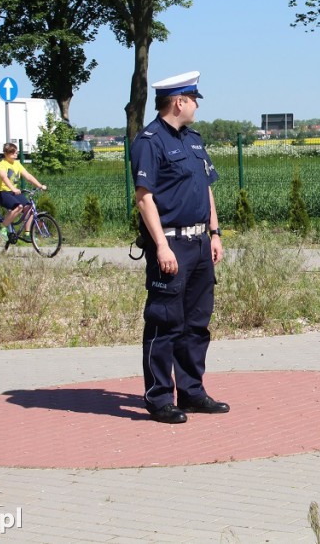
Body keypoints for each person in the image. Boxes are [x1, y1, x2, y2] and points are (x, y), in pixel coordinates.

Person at [130, 70, 228, 424]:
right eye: (194, 99)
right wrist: (161, 246)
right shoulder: (149, 141)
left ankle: (191, 392)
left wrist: (215, 233)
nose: (197, 105)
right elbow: (144, 199)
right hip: (171, 244)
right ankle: (158, 399)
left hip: (201, 243)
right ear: (179, 102)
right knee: (164, 322)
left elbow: (206, 188)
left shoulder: (194, 140)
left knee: (196, 323)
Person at [0, 142, 47, 243]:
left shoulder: (17, 164)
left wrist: (39, 185)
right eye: (12, 153)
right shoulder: (1, 165)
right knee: (19, 207)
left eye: (16, 152)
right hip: (0, 192)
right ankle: (2, 227)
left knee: (29, 207)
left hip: (12, 192)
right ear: (6, 153)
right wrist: (13, 188)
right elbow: (4, 178)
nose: (15, 155)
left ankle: (27, 233)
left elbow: (28, 176)